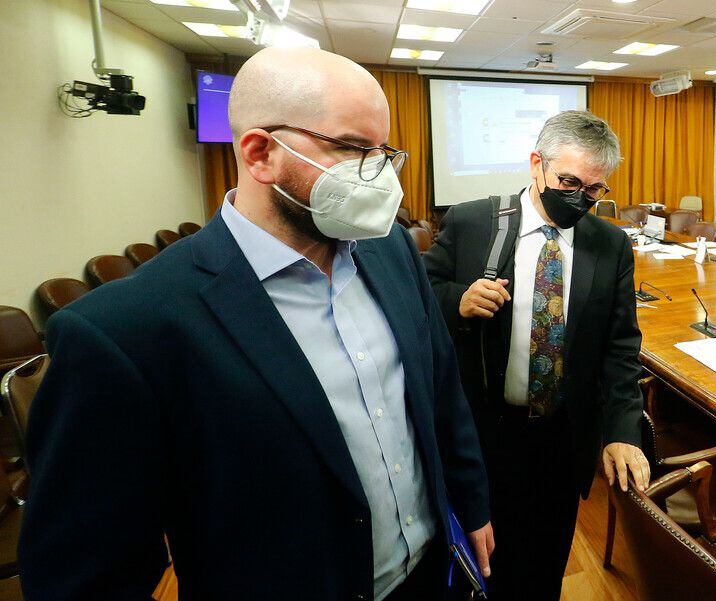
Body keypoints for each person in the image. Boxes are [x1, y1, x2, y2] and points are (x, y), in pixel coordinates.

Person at [19, 47, 492, 601]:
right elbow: (84, 576)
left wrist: (471, 500)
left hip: (430, 573)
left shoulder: (388, 249)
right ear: (261, 153)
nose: (381, 176)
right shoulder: (125, 331)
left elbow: (438, 389)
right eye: (353, 149)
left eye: (384, 152)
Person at [423, 110, 650, 601]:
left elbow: (620, 347)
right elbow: (420, 295)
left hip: (561, 439)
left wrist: (621, 431)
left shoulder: (610, 244)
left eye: (594, 190)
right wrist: (458, 301)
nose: (578, 197)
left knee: (544, 565)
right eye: (568, 181)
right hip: (484, 433)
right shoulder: (473, 222)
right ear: (536, 165)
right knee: (480, 567)